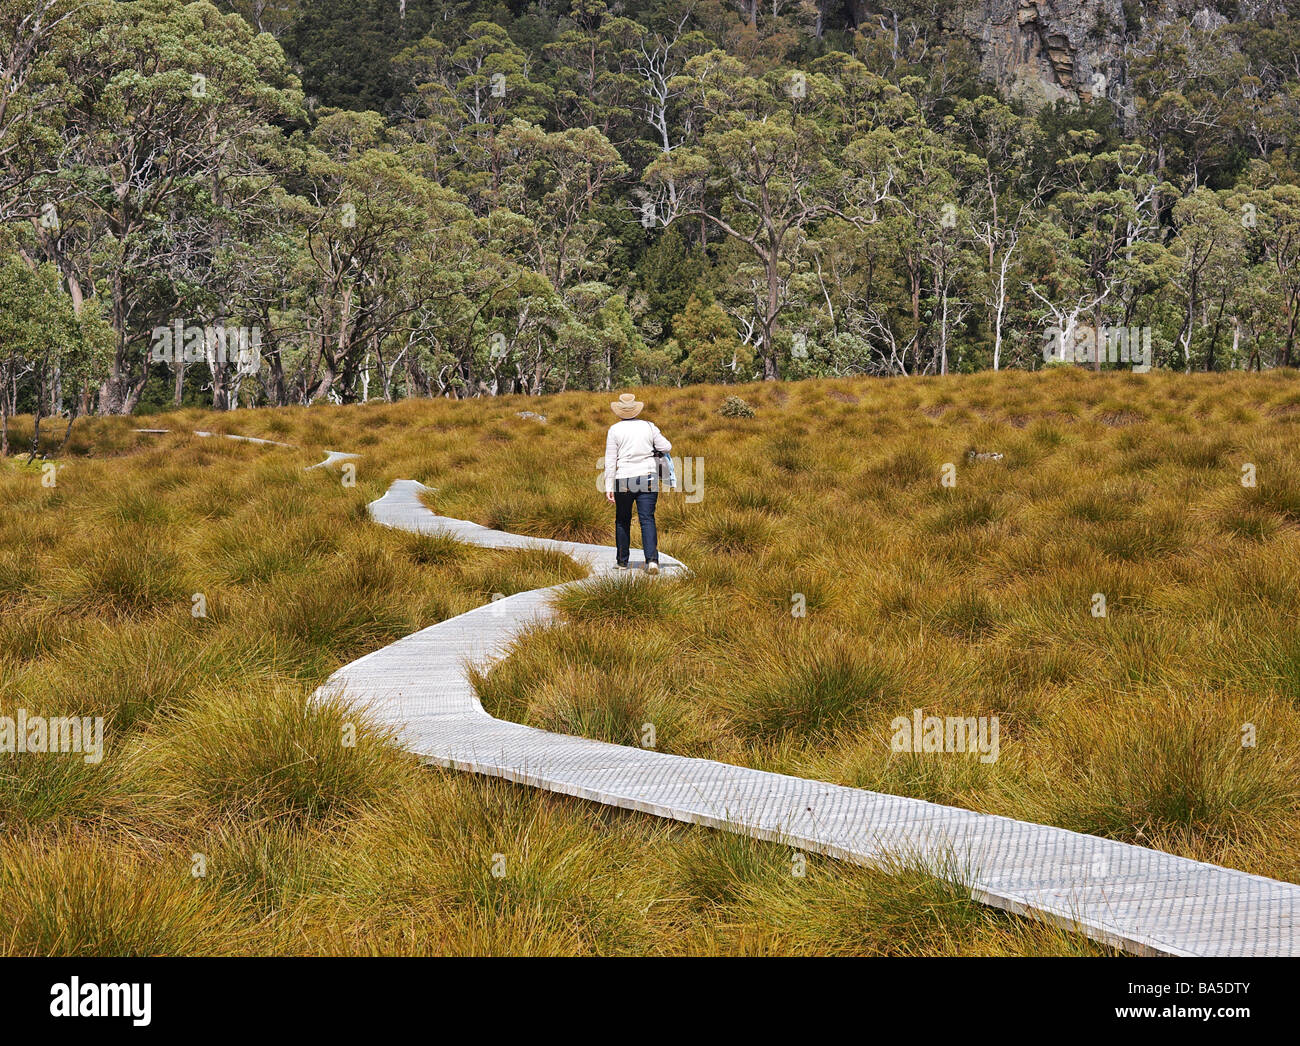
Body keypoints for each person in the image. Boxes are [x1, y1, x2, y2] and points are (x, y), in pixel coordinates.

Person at [604, 393, 671, 574]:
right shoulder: (649, 426)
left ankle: (622, 562)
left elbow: (610, 460)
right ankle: (652, 561)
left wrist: (609, 487)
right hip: (648, 477)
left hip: (624, 479)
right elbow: (666, 446)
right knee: (647, 519)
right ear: (636, 409)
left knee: (622, 520)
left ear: (619, 411)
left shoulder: (614, 430)